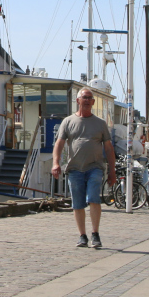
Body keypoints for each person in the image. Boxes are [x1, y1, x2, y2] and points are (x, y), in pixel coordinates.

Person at [51, 88, 116, 249]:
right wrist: (56, 163)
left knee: (93, 197)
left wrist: (112, 171)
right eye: (84, 97)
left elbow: (108, 148)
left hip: (95, 167)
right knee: (78, 203)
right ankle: (82, 235)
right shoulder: (68, 121)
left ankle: (95, 234)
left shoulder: (100, 123)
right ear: (78, 101)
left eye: (89, 98)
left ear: (93, 102)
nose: (86, 100)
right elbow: (59, 144)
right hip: (74, 168)